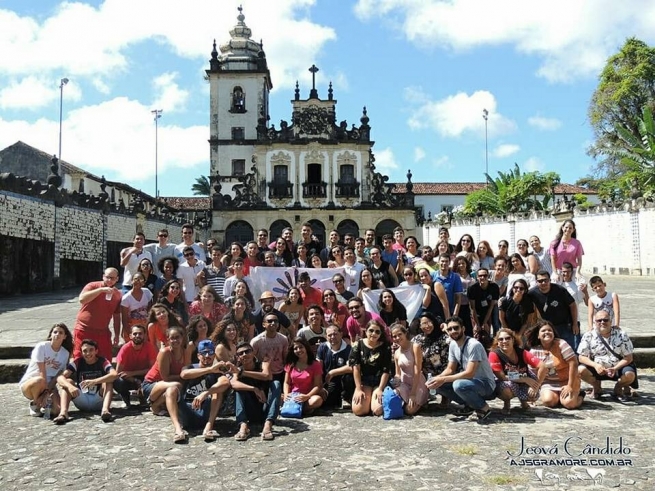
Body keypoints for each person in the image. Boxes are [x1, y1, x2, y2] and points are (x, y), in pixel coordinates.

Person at [427, 316, 496, 421]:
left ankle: (483, 408)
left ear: (463, 329)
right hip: (470, 382)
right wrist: (437, 378)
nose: (453, 331)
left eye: (456, 328)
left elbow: (469, 373)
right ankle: (470, 405)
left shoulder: (473, 345)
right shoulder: (453, 345)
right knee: (438, 385)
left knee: (458, 385)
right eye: (450, 329)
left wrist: (443, 379)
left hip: (485, 383)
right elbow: (450, 369)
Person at [141, 326, 189, 442]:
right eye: (171, 338)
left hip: (170, 385)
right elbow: (166, 377)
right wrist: (183, 376)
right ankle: (151, 401)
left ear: (182, 338)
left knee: (174, 388)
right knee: (177, 385)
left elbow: (187, 370)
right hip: (152, 384)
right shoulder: (165, 352)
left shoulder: (185, 352)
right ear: (168, 340)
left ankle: (156, 406)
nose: (175, 340)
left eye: (177, 337)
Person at [178, 339, 232, 442]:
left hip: (205, 410)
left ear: (214, 355)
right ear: (198, 355)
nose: (207, 356)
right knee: (171, 390)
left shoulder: (218, 371)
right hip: (188, 409)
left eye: (210, 352)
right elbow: (184, 375)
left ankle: (209, 426)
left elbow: (225, 382)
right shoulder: (190, 367)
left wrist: (206, 393)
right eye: (204, 353)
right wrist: (210, 370)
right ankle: (178, 430)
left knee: (217, 392)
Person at [54, 338, 117, 424]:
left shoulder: (103, 361)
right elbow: (60, 377)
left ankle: (105, 411)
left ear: (96, 351)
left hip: (98, 399)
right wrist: (70, 387)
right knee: (67, 381)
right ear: (81, 352)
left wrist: (94, 381)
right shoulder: (77, 362)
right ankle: (63, 414)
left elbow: (114, 374)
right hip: (82, 398)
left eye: (91, 350)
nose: (88, 353)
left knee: (108, 382)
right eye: (85, 351)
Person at [578, 310, 637, 401]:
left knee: (630, 374)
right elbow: (581, 357)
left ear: (610, 321)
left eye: (605, 320)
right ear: (595, 322)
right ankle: (596, 386)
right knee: (580, 370)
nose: (602, 322)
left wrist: (615, 368)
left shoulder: (621, 335)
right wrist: (596, 365)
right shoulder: (588, 335)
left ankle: (618, 387)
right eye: (599, 320)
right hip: (597, 367)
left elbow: (629, 358)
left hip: (617, 367)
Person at [526, 320, 583, 410]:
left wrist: (570, 385)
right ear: (538, 336)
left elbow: (574, 363)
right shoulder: (534, 351)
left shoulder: (561, 344)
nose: (547, 332)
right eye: (543, 331)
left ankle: (579, 396)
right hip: (548, 382)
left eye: (549, 330)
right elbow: (532, 372)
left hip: (568, 380)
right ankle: (558, 397)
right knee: (549, 402)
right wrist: (533, 391)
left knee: (569, 403)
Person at [19, 323, 73, 417]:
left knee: (56, 410)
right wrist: (45, 394)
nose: (57, 334)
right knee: (40, 380)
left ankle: (46, 405)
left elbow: (58, 375)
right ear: (51, 334)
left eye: (60, 333)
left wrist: (49, 391)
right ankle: (35, 404)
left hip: (49, 385)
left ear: (64, 336)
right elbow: (42, 372)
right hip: (32, 384)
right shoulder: (42, 347)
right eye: (55, 332)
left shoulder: (65, 353)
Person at [231, 341, 280, 442]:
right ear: (238, 357)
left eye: (247, 351)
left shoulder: (263, 364)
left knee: (276, 384)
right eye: (241, 353)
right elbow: (233, 383)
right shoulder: (237, 370)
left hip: (265, 406)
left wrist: (243, 373)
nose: (244, 355)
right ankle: (243, 426)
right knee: (238, 390)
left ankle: (268, 425)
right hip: (250, 409)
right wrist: (254, 389)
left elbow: (267, 375)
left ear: (253, 353)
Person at [488, 328, 546, 414]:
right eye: (501, 339)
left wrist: (536, 385)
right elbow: (502, 377)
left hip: (522, 378)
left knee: (533, 395)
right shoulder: (494, 354)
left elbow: (543, 366)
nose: (504, 341)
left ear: (513, 340)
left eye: (507, 338)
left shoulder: (522, 352)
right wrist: (524, 379)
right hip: (504, 381)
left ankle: (523, 402)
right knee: (506, 390)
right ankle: (507, 403)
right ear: (497, 342)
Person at [73, 268, 122, 362]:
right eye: (107, 277)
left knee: (106, 358)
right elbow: (82, 299)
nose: (109, 280)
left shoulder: (117, 294)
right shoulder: (92, 286)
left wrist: (116, 335)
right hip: (84, 329)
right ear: (103, 276)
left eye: (112, 278)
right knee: (80, 358)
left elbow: (116, 317)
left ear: (117, 279)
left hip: (102, 331)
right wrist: (101, 290)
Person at [348, 320, 393, 416]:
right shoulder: (358, 345)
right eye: (371, 330)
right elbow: (356, 368)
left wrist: (381, 389)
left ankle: (372, 400)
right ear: (366, 331)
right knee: (359, 410)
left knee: (377, 410)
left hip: (379, 381)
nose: (374, 334)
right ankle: (368, 401)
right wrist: (358, 389)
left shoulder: (386, 347)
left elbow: (386, 370)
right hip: (364, 381)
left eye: (377, 332)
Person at [528, 270, 579, 350]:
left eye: (546, 280)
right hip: (547, 328)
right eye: (540, 281)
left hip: (564, 325)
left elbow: (572, 305)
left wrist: (575, 324)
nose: (543, 283)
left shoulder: (560, 290)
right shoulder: (532, 293)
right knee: (550, 351)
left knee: (568, 350)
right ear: (536, 282)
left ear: (550, 280)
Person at [113, 324, 158, 408]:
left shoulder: (149, 347)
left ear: (145, 335)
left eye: (140, 334)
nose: (138, 336)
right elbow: (118, 372)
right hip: (127, 378)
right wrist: (134, 379)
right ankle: (126, 400)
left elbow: (153, 369)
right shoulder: (125, 348)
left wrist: (132, 373)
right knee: (117, 381)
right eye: (135, 334)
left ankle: (146, 398)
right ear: (130, 336)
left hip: (144, 377)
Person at [391, 324, 428, 415]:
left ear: (405, 333)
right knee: (391, 399)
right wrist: (395, 384)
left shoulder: (415, 347)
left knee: (409, 411)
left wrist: (413, 393)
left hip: (417, 383)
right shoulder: (396, 352)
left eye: (399, 334)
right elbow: (398, 373)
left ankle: (421, 401)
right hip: (404, 383)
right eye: (394, 336)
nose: (397, 338)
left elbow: (417, 370)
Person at [316, 325, 354, 409]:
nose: (332, 337)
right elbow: (318, 368)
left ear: (341, 334)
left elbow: (351, 367)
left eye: (335, 334)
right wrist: (320, 386)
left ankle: (346, 398)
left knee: (349, 377)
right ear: (326, 337)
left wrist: (333, 372)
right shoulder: (322, 347)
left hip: (343, 381)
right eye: (329, 335)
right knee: (328, 404)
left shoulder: (348, 349)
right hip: (328, 381)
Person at [283, 337, 324, 414]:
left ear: (306, 347)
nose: (298, 350)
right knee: (275, 398)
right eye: (295, 348)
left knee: (317, 400)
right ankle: (299, 409)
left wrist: (307, 396)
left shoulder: (315, 364)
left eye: (301, 347)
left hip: (307, 397)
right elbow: (286, 382)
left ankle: (294, 408)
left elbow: (317, 386)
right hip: (293, 396)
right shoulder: (291, 364)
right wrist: (286, 394)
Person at [250, 312, 289, 385]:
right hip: (263, 374)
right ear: (263, 324)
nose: (273, 323)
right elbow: (252, 359)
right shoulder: (256, 341)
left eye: (276, 321)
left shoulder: (283, 339)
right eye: (270, 321)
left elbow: (285, 357)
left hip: (280, 373)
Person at [412, 312, 450, 383]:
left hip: (442, 376)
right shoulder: (417, 339)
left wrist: (446, 329)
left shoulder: (444, 338)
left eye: (429, 322)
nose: (427, 326)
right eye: (423, 323)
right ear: (420, 326)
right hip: (423, 377)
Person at [120, 272, 153, 342]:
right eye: (135, 279)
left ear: (144, 282)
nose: (138, 281)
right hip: (132, 326)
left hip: (145, 325)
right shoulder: (126, 298)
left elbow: (150, 309)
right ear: (131, 281)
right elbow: (124, 319)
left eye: (140, 279)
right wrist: (130, 333)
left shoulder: (147, 292)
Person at [467, 267, 500, 335]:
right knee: (476, 332)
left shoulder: (494, 287)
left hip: (488, 311)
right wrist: (477, 324)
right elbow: (472, 308)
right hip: (476, 311)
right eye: (480, 276)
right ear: (477, 277)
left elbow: (491, 306)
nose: (482, 277)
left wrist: (485, 323)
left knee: (486, 332)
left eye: (485, 275)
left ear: (488, 276)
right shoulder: (472, 288)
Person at [453, 256, 475, 336]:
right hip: (457, 304)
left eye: (463, 263)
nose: (461, 265)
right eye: (459, 264)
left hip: (467, 305)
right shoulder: (455, 275)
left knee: (468, 327)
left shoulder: (471, 275)